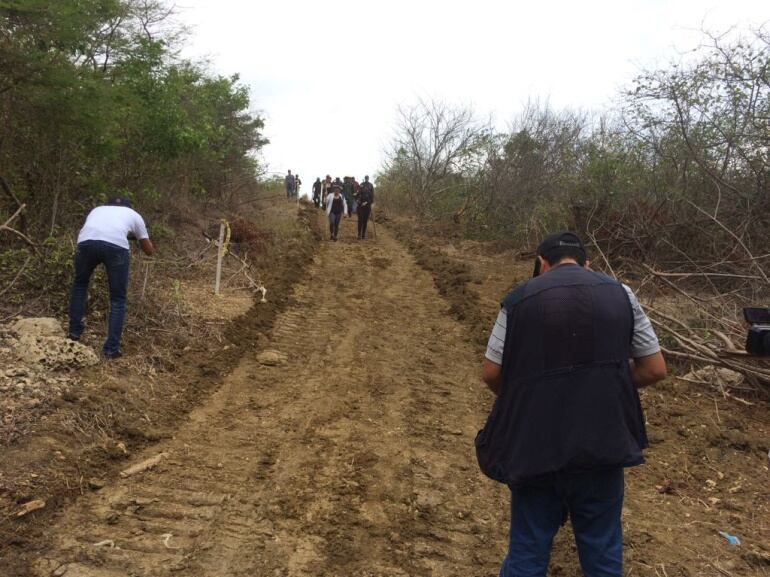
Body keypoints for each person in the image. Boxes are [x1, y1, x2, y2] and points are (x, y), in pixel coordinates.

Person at [478, 231, 666, 577]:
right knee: (603, 550)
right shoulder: (622, 295)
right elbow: (654, 368)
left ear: (542, 264)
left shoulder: (518, 299)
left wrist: (525, 396)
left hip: (536, 446)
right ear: (588, 264)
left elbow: (491, 373)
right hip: (603, 444)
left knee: (528, 549)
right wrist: (608, 384)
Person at [68, 197, 155, 359]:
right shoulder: (134, 215)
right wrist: (138, 239)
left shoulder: (97, 210)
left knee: (80, 284)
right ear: (128, 207)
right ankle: (111, 349)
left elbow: (97, 232)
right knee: (118, 299)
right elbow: (148, 250)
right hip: (116, 247)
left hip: (86, 243)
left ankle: (74, 332)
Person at [357, 175, 374, 240]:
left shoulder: (371, 185)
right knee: (360, 220)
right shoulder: (361, 185)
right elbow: (358, 194)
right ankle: (359, 234)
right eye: (366, 178)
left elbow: (372, 197)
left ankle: (363, 234)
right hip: (360, 206)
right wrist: (359, 200)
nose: (366, 179)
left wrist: (367, 202)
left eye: (367, 178)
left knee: (365, 221)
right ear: (365, 178)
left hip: (367, 206)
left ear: (368, 178)